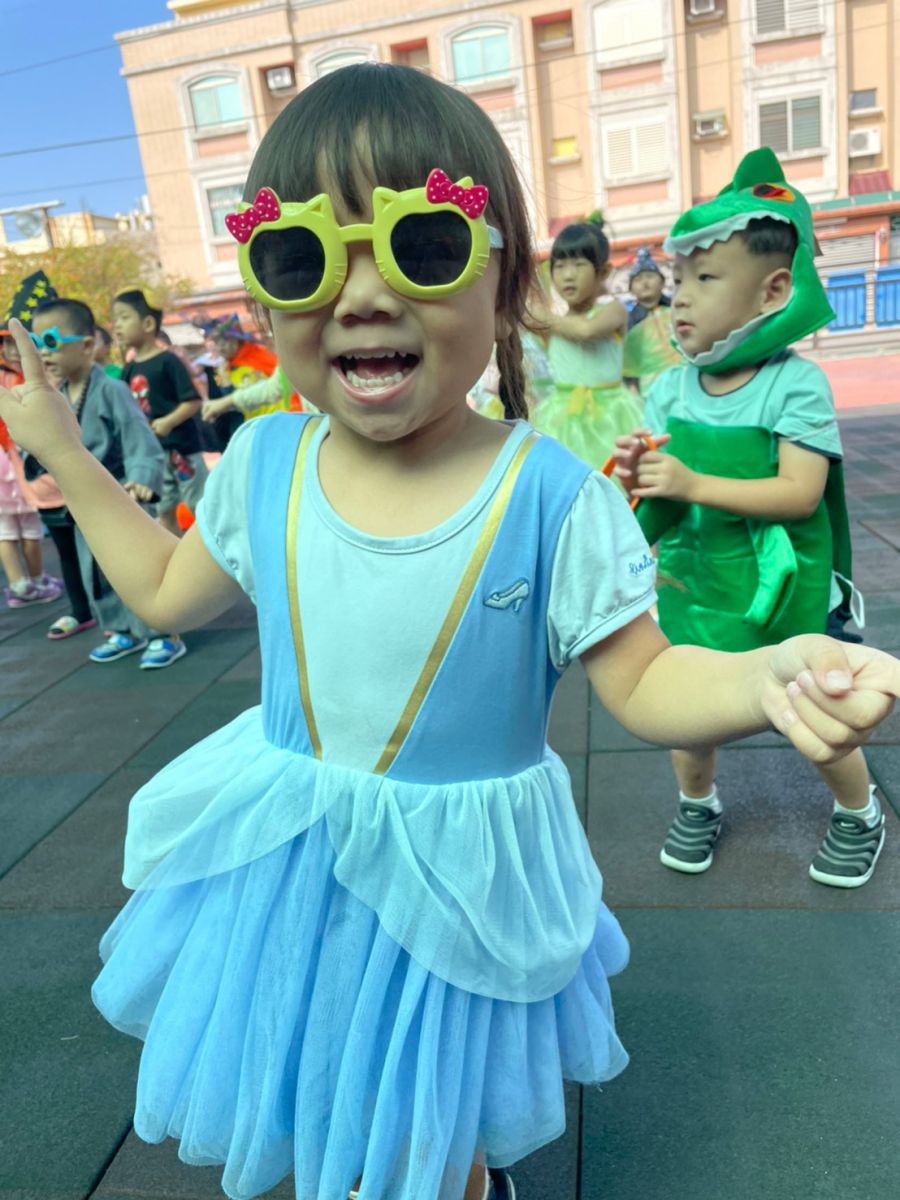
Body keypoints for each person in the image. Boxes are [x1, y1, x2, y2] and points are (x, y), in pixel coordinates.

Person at [2, 67, 898, 1200]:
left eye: (423, 247)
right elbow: (167, 593)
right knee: (314, 1060)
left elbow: (646, 683)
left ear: (506, 282)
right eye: (303, 259)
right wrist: (62, 450)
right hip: (295, 854)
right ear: (266, 296)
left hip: (459, 867)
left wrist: (768, 674)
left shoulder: (549, 495)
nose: (365, 298)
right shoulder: (266, 462)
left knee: (434, 1094)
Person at [615, 147, 883, 889]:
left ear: (772, 293)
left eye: (705, 279)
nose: (680, 298)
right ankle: (696, 801)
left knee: (813, 703)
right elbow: (659, 490)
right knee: (686, 699)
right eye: (678, 280)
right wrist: (638, 471)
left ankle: (859, 812)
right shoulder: (670, 389)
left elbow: (799, 494)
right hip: (697, 577)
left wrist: (692, 480)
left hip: (777, 581)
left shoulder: (793, 384)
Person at [28, 297, 175, 667]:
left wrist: (142, 477)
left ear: (87, 344)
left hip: (123, 495)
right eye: (36, 343)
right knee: (97, 570)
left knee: (138, 568)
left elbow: (138, 437)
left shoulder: (112, 389)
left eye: (50, 341)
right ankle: (121, 629)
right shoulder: (57, 396)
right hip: (85, 502)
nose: (43, 352)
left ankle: (163, 631)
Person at [529, 216, 642, 470]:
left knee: (611, 477)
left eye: (579, 265)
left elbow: (586, 330)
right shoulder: (553, 325)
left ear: (604, 272)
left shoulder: (613, 310)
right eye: (560, 266)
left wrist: (541, 317)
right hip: (561, 417)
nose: (568, 275)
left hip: (611, 417)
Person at [113, 289, 207, 548]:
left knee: (199, 505)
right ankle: (176, 558)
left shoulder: (168, 361)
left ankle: (214, 558)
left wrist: (168, 422)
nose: (117, 325)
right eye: (115, 319)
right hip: (154, 454)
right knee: (164, 509)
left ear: (147, 323)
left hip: (183, 449)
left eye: (123, 318)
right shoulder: (128, 369)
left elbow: (193, 401)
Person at [622, 246, 682, 399]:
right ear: (631, 289)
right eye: (638, 279)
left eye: (650, 276)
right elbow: (628, 359)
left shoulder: (677, 308)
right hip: (650, 387)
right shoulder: (629, 322)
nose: (645, 282)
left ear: (662, 282)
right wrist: (632, 388)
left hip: (685, 376)